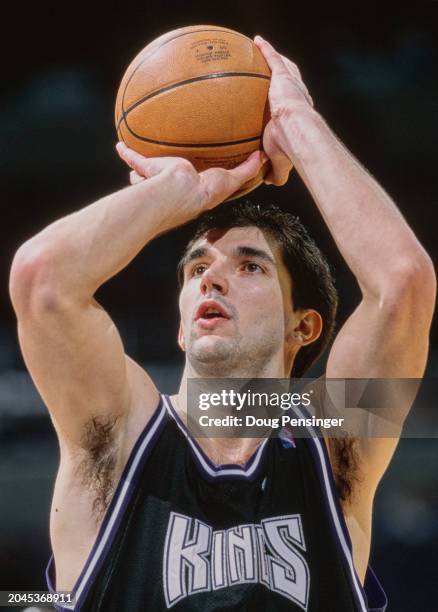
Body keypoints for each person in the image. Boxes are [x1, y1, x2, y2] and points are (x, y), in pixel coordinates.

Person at [9, 36, 435, 612]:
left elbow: (403, 282)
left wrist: (295, 122)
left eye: (250, 266)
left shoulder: (331, 438)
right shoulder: (123, 429)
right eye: (197, 269)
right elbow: (42, 280)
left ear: (303, 327)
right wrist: (182, 190)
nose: (211, 280)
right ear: (182, 329)